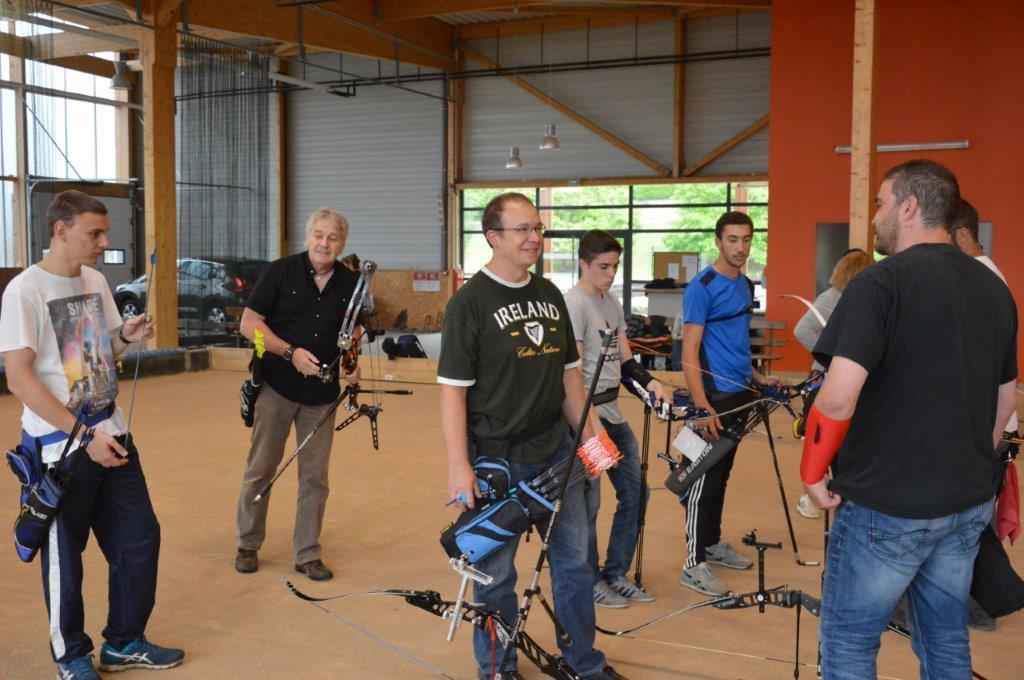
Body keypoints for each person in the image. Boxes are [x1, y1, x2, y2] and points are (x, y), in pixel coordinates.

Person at [801, 160, 1018, 679]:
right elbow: (1006, 400)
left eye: (880, 203)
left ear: (909, 207)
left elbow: (837, 399)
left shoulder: (879, 284)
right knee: (945, 637)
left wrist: (811, 471)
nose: (875, 217)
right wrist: (970, 463)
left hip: (887, 505)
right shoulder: (994, 289)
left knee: (850, 642)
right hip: (966, 502)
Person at [438, 193, 625, 680]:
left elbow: (570, 379)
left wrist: (592, 439)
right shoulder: (469, 304)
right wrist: (459, 466)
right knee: (494, 576)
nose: (534, 238)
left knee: (575, 565)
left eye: (537, 228)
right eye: (522, 229)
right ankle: (498, 667)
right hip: (496, 461)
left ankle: (583, 662)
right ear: (493, 237)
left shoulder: (549, 295)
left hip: (557, 455)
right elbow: (453, 392)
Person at [0, 191, 183, 679]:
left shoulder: (95, 280)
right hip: (60, 448)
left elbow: (96, 353)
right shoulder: (24, 291)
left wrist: (125, 337)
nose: (103, 243)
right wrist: (84, 437)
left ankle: (123, 641)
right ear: (60, 230)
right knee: (65, 558)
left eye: (104, 233)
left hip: (113, 433)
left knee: (139, 538)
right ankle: (72, 656)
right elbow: (20, 380)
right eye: (94, 233)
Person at [234, 208, 361, 581]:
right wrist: (289, 353)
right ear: (308, 237)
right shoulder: (280, 272)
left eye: (332, 238)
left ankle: (307, 553)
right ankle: (247, 544)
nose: (324, 243)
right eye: (318, 235)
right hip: (276, 385)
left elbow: (354, 331)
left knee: (315, 478)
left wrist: (351, 362)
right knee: (261, 468)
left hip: (322, 393)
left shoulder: (351, 283)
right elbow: (249, 326)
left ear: (342, 244)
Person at [564, 230, 670, 609]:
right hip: (584, 418)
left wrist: (651, 383)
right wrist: (591, 433)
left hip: (612, 413)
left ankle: (615, 573)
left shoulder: (612, 303)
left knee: (636, 493)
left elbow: (625, 362)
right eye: (603, 267)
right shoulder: (574, 305)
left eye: (615, 267)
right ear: (583, 264)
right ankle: (589, 578)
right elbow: (573, 377)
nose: (611, 275)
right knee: (589, 504)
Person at [677, 210, 778, 596]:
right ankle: (693, 563)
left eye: (746, 239)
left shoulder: (746, 285)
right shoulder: (702, 287)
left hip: (740, 394)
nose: (740, 247)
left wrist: (757, 376)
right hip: (712, 397)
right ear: (718, 241)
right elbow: (689, 352)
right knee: (700, 479)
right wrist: (702, 405)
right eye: (733, 239)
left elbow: (735, 341)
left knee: (721, 476)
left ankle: (711, 543)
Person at [949, 197, 1019, 631]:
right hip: (988, 427)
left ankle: (978, 604)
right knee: (972, 524)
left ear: (960, 236)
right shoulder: (986, 276)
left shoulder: (979, 280)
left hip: (984, 429)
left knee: (968, 528)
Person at [791, 248, 873, 519]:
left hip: (847, 382)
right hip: (825, 380)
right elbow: (802, 330)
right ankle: (812, 495)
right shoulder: (832, 297)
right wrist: (834, 356)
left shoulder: (856, 300)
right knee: (823, 441)